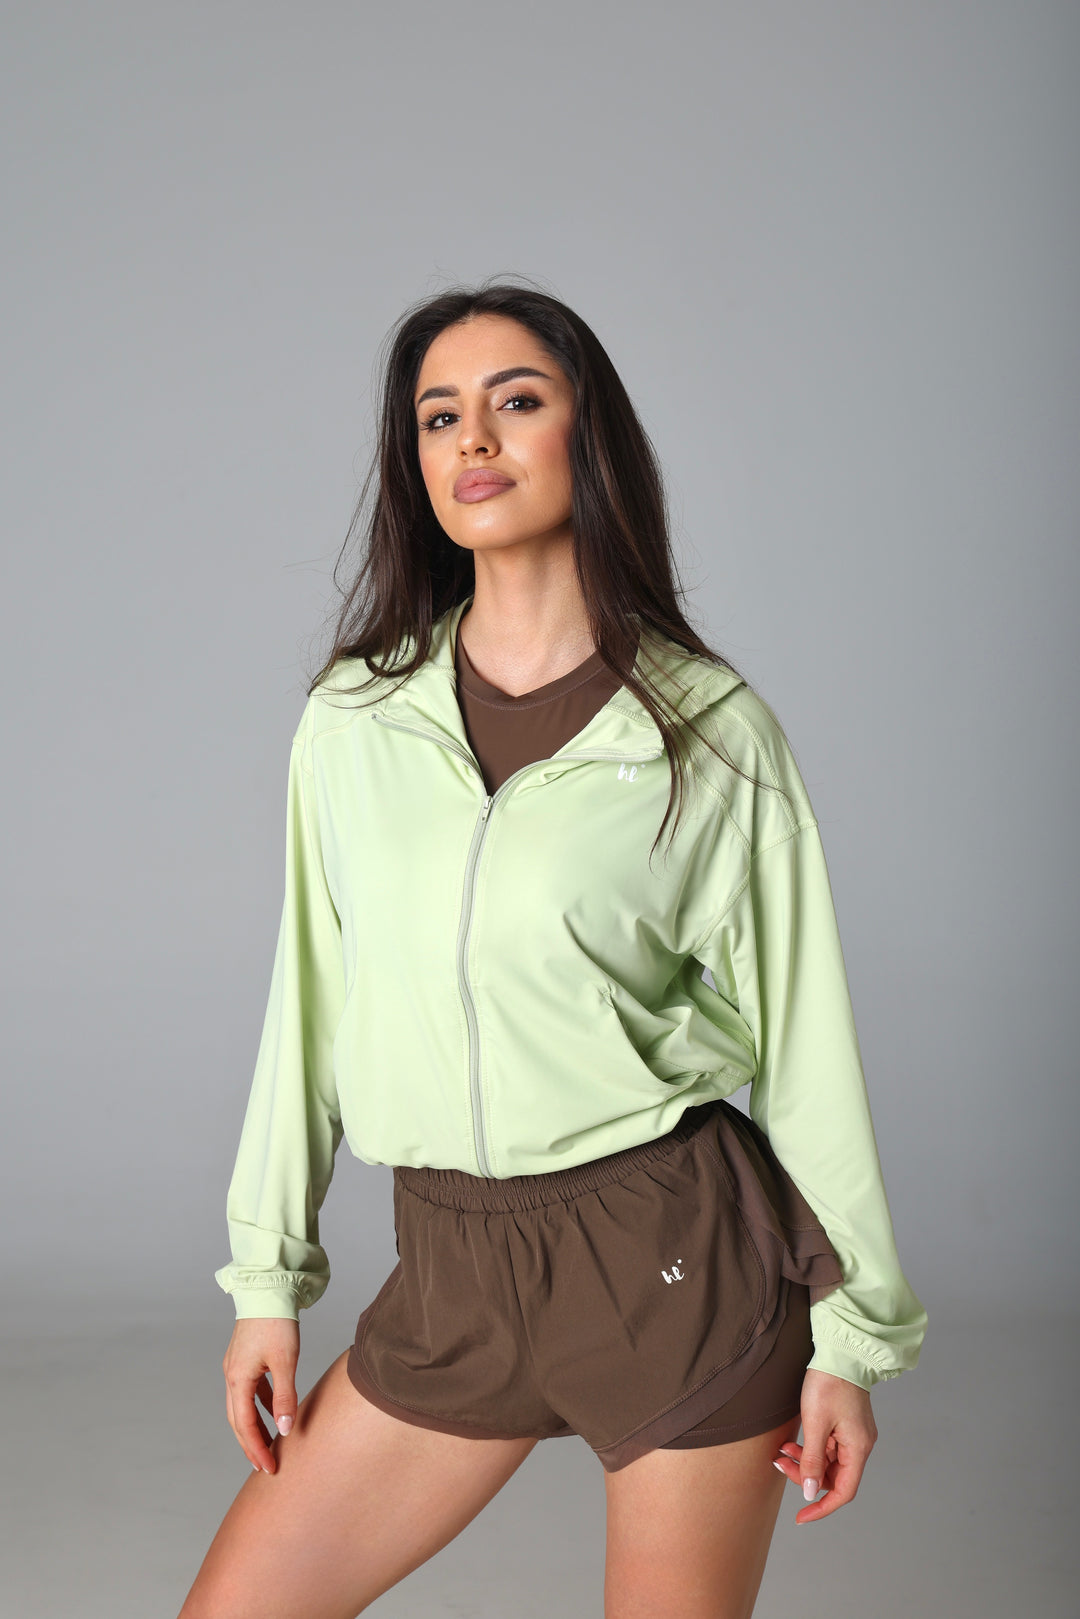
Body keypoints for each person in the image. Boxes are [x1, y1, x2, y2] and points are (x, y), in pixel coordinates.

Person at [179, 279, 927, 1619]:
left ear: (589, 435)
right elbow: (310, 1008)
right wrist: (265, 1284)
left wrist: (852, 1342)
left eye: (515, 401)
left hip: (673, 1268)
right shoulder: (355, 722)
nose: (473, 439)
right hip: (452, 1275)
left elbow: (808, 1043)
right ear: (415, 463)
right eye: (438, 417)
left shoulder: (707, 732)